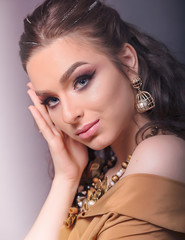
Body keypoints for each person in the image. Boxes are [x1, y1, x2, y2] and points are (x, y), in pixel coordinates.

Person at [19, 0, 185, 239]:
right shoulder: (100, 176)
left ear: (128, 62)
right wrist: (66, 178)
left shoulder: (161, 153)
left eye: (82, 81)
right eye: (52, 100)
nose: (68, 115)